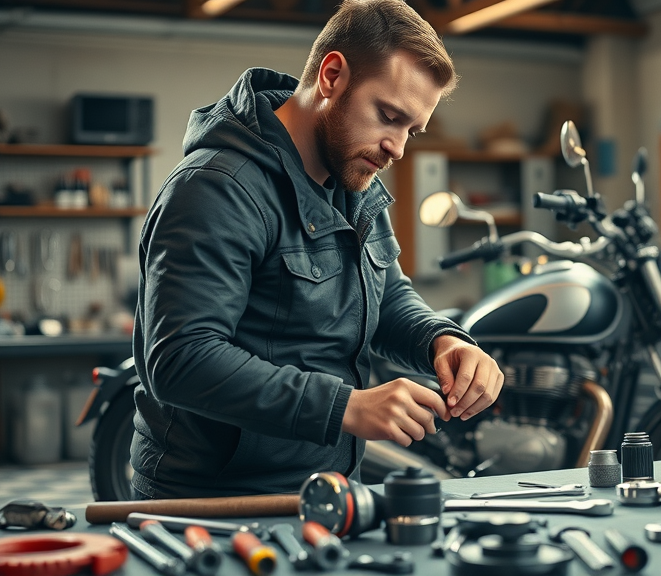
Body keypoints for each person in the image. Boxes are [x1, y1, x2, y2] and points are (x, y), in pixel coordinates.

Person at [131, 0, 503, 499]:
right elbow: (181, 359)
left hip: (321, 489)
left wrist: (441, 340)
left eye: (410, 130)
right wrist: (348, 407)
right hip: (216, 503)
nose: (397, 148)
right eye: (388, 116)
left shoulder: (355, 180)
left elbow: (387, 295)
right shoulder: (216, 188)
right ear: (331, 75)